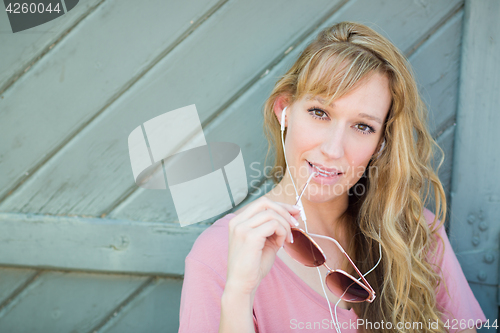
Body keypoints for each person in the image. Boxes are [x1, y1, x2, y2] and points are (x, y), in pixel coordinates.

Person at [178, 21, 486, 333]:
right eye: (319, 113)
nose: (333, 149)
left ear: (380, 144)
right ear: (284, 110)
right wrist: (238, 296)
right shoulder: (217, 256)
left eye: (362, 126)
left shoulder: (417, 233)